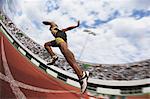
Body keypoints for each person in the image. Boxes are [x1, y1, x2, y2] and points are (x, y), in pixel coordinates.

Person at [43, 20, 89, 93]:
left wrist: (48, 23)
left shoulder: (54, 28)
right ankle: (54, 56)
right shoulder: (62, 30)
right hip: (61, 42)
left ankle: (82, 75)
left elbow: (51, 22)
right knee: (47, 45)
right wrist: (75, 26)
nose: (50, 30)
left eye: (51, 28)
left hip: (60, 40)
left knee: (71, 62)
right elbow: (69, 28)